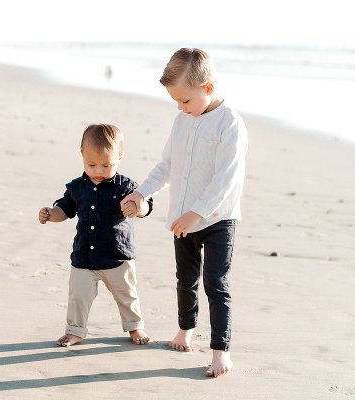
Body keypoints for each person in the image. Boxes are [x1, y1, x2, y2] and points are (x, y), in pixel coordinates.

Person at [120, 48, 248, 378]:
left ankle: (220, 350)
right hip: (182, 219)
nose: (180, 107)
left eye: (185, 100)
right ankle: (185, 331)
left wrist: (197, 212)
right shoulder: (182, 120)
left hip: (219, 219)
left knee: (215, 283)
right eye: (176, 101)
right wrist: (141, 192)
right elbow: (167, 166)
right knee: (185, 280)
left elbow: (225, 178)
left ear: (207, 88)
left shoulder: (229, 123)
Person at [39, 123, 153, 347]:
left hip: (117, 256)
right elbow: (65, 209)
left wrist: (139, 208)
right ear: (82, 155)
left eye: (106, 165)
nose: (98, 171)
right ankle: (75, 330)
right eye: (91, 164)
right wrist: (51, 214)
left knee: (126, 294)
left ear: (120, 157)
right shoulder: (76, 188)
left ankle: (135, 325)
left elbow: (146, 205)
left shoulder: (126, 187)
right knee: (78, 297)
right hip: (85, 257)